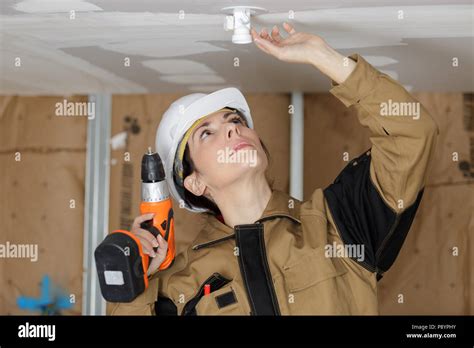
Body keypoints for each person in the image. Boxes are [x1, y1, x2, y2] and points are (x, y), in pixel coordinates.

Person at [111, 22, 438, 315]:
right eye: (207, 133)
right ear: (194, 183)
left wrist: (323, 56)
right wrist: (134, 283)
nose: (232, 130)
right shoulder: (180, 284)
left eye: (235, 120)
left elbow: (412, 134)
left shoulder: (336, 226)